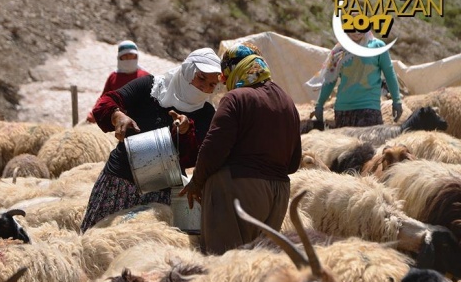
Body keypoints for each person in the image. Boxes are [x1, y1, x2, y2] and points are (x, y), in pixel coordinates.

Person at [80, 47, 222, 232]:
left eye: (212, 84)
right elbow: (107, 101)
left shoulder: (205, 112)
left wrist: (186, 132)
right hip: (119, 183)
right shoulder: (150, 87)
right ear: (187, 71)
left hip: (161, 194)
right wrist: (117, 116)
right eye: (201, 78)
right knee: (97, 241)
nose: (204, 87)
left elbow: (193, 157)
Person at [179, 43, 302, 255]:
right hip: (279, 195)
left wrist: (196, 183)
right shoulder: (288, 102)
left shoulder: (237, 98)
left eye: (226, 77)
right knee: (256, 265)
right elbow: (293, 162)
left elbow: (213, 149)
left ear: (236, 69)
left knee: (225, 262)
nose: (226, 84)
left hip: (237, 190)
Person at [307, 29, 403, 128]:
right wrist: (319, 104)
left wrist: (396, 100)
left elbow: (389, 73)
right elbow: (330, 79)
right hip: (343, 111)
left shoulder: (377, 46)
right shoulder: (339, 50)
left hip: (369, 109)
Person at [86, 40, 150, 123]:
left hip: (143, 122)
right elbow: (105, 98)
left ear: (136, 56)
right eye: (125, 56)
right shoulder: (113, 77)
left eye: (131, 55)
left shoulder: (146, 76)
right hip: (119, 122)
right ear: (120, 57)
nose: (128, 59)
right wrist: (94, 113)